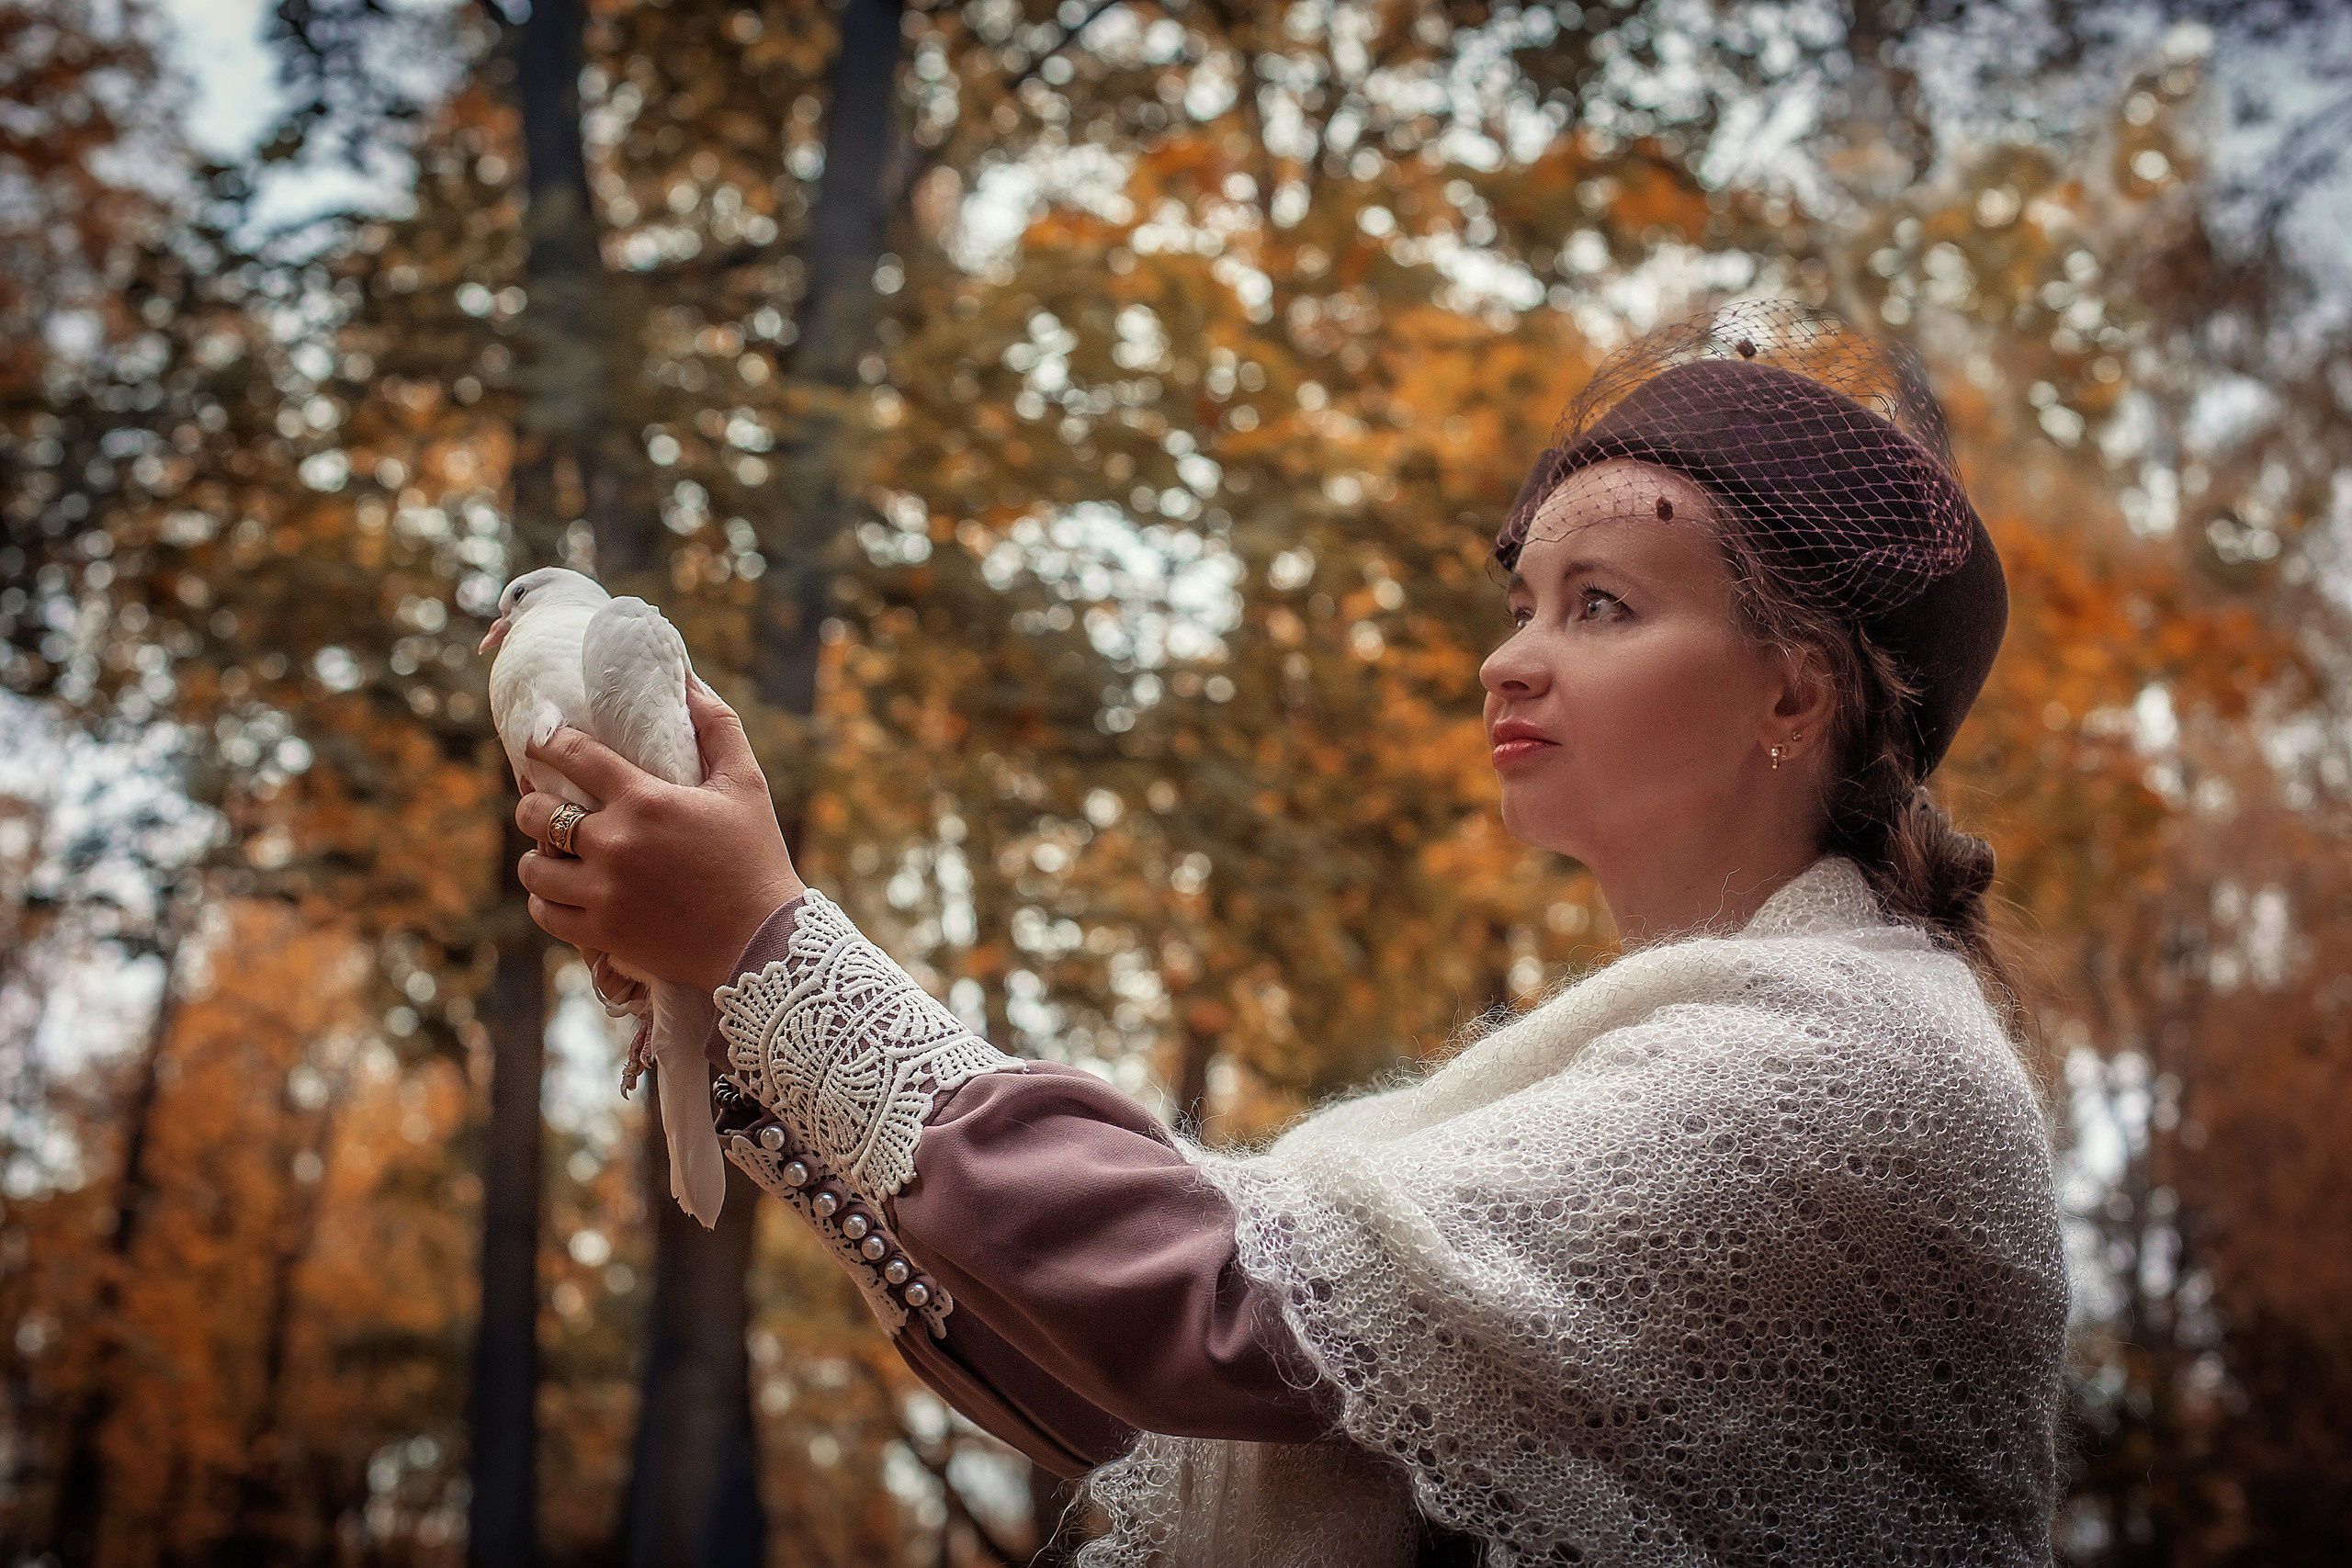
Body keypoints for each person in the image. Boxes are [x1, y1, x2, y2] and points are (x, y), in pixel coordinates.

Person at [511, 301, 2068, 1566]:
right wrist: (743, 1027)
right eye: (1523, 602)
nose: (1507, 662)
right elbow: (1141, 1404)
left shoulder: (1856, 1073)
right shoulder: (1633, 1074)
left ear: (1800, 690)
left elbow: (1219, 1308)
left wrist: (775, 949)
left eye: (1600, 605)